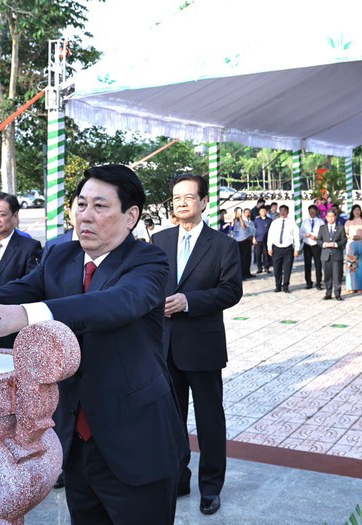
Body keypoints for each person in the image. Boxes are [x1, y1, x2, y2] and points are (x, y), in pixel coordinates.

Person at [0, 164, 188, 524]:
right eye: (80, 205)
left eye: (99, 206)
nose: (86, 216)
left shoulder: (149, 261)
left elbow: (116, 304)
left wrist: (20, 315)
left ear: (130, 217)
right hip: (75, 442)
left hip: (137, 440)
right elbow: (16, 292)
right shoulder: (59, 256)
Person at [152, 173, 242, 516]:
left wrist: (188, 301)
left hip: (203, 348)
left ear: (204, 201)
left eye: (189, 197)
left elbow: (231, 291)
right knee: (171, 420)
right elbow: (148, 285)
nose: (182, 203)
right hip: (165, 347)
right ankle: (178, 477)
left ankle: (210, 488)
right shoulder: (158, 241)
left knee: (209, 422)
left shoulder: (223, 245)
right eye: (176, 198)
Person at [0, 193, 42, 349]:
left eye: (1, 214)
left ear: (15, 216)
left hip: (10, 330)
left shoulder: (30, 247)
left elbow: (31, 289)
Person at [267, 205, 300, 293]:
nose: (282, 212)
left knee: (287, 268)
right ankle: (278, 285)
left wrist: (297, 248)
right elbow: (270, 235)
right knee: (277, 268)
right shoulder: (275, 222)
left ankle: (285, 286)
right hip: (276, 248)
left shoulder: (292, 223)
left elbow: (296, 236)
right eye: (281, 210)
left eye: (285, 210)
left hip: (288, 248)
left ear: (288, 212)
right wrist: (269, 247)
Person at [318, 209, 346, 300]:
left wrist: (336, 244)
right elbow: (319, 240)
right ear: (326, 217)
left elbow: (344, 240)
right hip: (325, 255)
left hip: (336, 254)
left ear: (335, 217)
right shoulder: (322, 227)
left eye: (332, 216)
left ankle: (337, 293)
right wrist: (325, 244)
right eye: (328, 216)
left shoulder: (340, 227)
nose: (330, 218)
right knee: (327, 275)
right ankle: (328, 293)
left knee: (337, 275)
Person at [344, 205, 362, 293]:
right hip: (351, 243)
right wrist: (350, 236)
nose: (357, 212)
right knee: (351, 266)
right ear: (352, 211)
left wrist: (361, 236)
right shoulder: (348, 222)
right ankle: (350, 286)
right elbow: (345, 234)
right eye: (355, 210)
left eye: (358, 210)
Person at [299, 204, 323, 290]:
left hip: (316, 245)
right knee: (307, 264)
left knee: (318, 264)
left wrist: (317, 237)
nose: (312, 212)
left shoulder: (321, 222)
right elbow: (300, 234)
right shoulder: (304, 222)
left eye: (313, 211)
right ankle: (308, 282)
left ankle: (318, 282)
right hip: (307, 245)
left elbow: (323, 233)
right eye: (310, 211)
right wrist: (306, 235)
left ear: (316, 212)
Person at [229, 207, 255, 280]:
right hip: (235, 241)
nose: (238, 214)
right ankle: (239, 275)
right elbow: (231, 229)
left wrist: (240, 219)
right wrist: (233, 221)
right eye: (237, 212)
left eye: (240, 212)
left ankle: (245, 273)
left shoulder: (244, 221)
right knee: (238, 259)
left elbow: (244, 227)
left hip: (243, 240)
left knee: (245, 258)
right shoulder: (232, 220)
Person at [253, 206, 272, 273]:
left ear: (266, 211)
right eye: (261, 211)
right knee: (258, 254)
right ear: (259, 212)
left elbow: (272, 230)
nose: (263, 212)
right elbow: (254, 229)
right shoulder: (256, 220)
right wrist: (254, 238)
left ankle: (266, 267)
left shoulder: (270, 220)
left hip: (267, 240)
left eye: (264, 211)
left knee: (266, 254)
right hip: (258, 240)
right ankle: (259, 268)